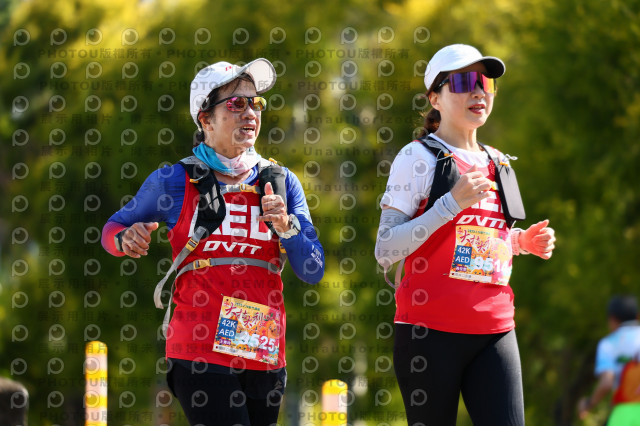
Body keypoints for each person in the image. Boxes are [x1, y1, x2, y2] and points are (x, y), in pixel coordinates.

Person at [101, 58, 325, 426]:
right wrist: (126, 238)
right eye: (236, 104)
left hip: (263, 347)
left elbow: (313, 270)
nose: (249, 112)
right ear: (205, 119)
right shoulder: (174, 180)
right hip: (198, 349)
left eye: (255, 103)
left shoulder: (282, 182)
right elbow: (111, 230)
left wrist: (287, 227)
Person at [375, 44, 556, 425]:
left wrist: (520, 242)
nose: (478, 92)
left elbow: (476, 241)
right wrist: (450, 204)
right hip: (429, 332)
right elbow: (386, 248)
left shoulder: (499, 161)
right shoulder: (416, 157)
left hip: (495, 329)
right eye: (462, 82)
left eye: (485, 82)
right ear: (434, 98)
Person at [578, 295, 640, 425]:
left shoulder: (608, 344)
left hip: (624, 414)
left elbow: (606, 383)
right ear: (637, 316)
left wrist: (588, 404)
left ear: (612, 319)